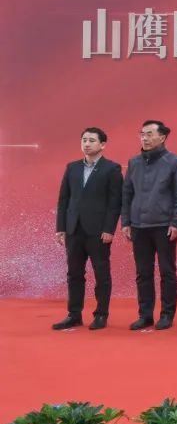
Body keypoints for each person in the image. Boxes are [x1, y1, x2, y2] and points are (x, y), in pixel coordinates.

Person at [52, 127, 123, 330]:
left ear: (102, 144)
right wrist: (61, 227)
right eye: (84, 140)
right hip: (73, 229)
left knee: (101, 274)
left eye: (92, 140)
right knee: (74, 274)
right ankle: (74, 314)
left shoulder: (112, 169)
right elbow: (63, 199)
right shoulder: (72, 167)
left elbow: (115, 202)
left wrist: (109, 229)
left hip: (98, 231)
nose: (87, 143)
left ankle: (101, 314)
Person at [121, 120, 177, 331]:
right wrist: (126, 222)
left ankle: (167, 314)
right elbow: (127, 194)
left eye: (150, 134)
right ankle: (145, 315)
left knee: (167, 272)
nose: (145, 138)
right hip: (138, 226)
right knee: (143, 273)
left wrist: (176, 222)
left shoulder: (175, 162)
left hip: (164, 226)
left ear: (162, 137)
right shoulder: (134, 162)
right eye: (142, 134)